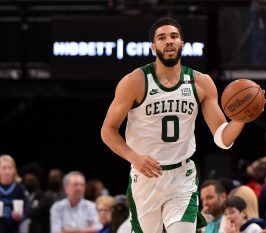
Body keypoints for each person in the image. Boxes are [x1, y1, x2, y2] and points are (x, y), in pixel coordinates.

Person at [100, 17, 253, 233]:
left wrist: (241, 118)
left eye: (174, 36)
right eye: (162, 38)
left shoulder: (201, 83)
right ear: (153, 47)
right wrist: (134, 157)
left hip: (182, 178)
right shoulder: (135, 81)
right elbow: (107, 130)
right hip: (145, 179)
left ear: (182, 43)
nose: (169, 41)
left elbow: (223, 139)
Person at [0, 154, 28, 233]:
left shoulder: (20, 188)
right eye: (4, 168)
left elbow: (27, 210)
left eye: (10, 168)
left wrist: (20, 216)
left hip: (15, 227)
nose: (7, 171)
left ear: (14, 170)